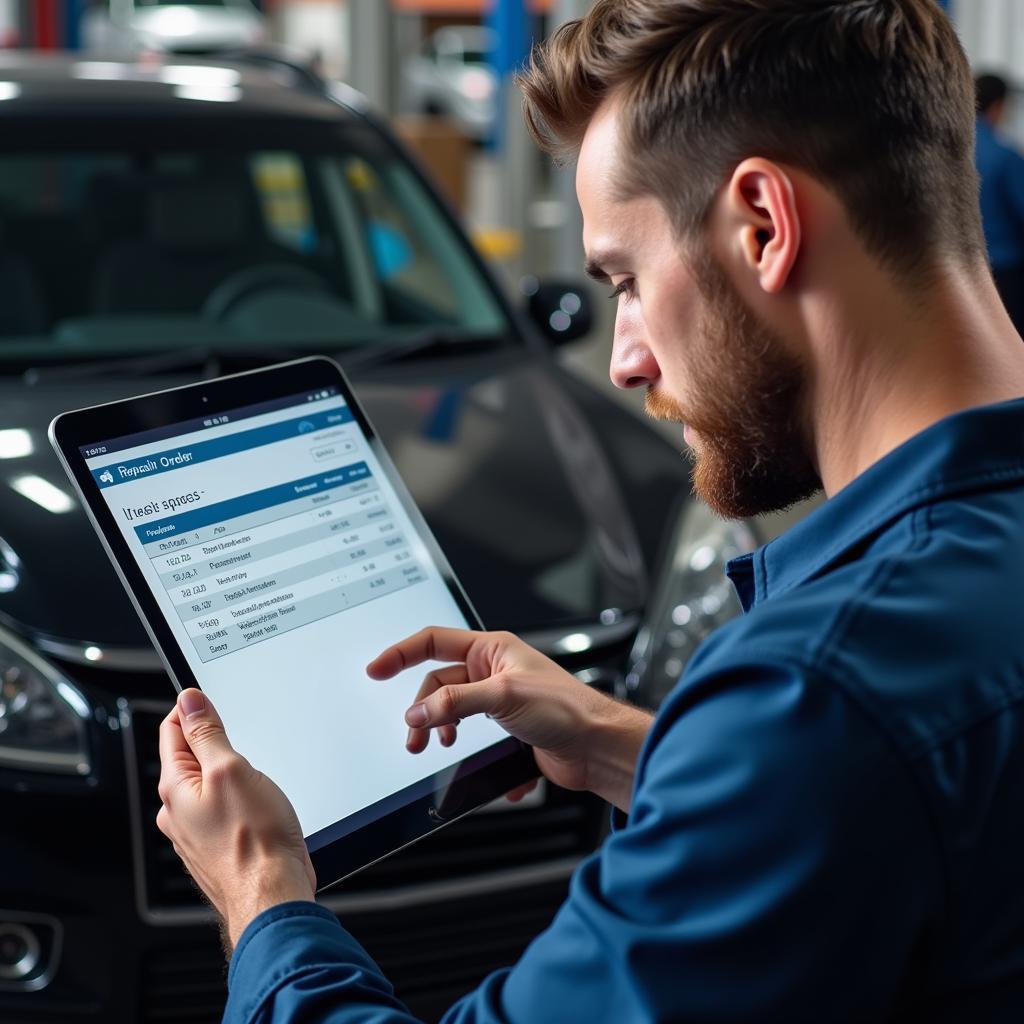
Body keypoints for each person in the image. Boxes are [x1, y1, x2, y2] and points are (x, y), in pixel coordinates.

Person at [157, 2, 1024, 1020]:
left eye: (625, 279)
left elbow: (842, 753)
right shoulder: (879, 674)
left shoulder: (819, 694)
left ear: (762, 225)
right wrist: (632, 745)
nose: (623, 361)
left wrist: (263, 892)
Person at [975, 71, 1024, 334]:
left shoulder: (941, 150)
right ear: (999, 106)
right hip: (1006, 272)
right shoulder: (1005, 156)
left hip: (959, 268)